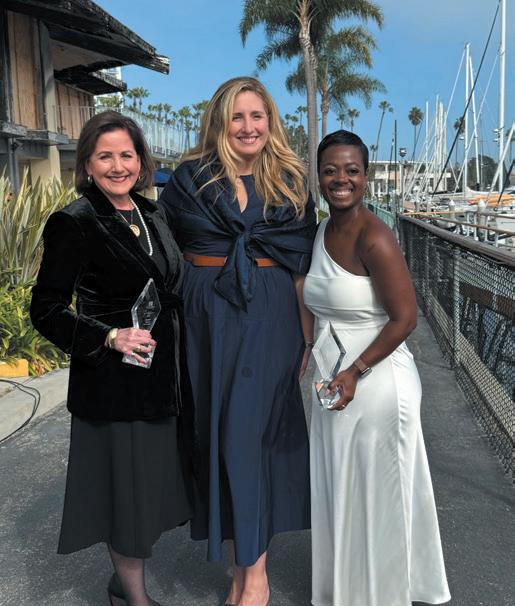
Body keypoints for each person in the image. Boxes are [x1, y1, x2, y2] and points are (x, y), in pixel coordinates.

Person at [160, 77, 316, 606]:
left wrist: (306, 336)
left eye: (257, 115)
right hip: (208, 318)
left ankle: (255, 578)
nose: (248, 127)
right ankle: (242, 569)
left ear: (270, 121)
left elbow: (300, 266)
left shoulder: (291, 182)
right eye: (237, 117)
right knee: (218, 438)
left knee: (252, 439)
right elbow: (163, 254)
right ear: (220, 123)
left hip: (272, 318)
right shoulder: (189, 179)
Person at [30, 111, 192, 606]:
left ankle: (124, 583)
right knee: (126, 501)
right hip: (113, 387)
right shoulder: (75, 222)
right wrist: (108, 336)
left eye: (127, 155)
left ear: (141, 161)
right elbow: (46, 309)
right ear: (87, 164)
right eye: (105, 156)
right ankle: (133, 597)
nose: (118, 166)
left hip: (160, 380)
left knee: (146, 497)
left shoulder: (153, 213)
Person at [303, 130, 451, 606]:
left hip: (377, 379)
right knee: (345, 489)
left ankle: (384, 594)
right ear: (318, 176)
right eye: (330, 170)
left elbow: (405, 318)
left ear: (365, 177)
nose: (340, 179)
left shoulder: (376, 237)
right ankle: (350, 590)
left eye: (351, 170)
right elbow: (307, 292)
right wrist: (307, 347)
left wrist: (355, 371)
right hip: (333, 378)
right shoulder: (321, 232)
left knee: (379, 494)